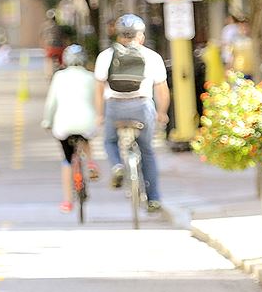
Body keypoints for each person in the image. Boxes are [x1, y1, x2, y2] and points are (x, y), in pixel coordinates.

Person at [93, 13, 170, 213]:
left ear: (118, 35)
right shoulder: (152, 57)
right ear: (140, 36)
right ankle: (154, 199)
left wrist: (100, 115)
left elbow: (99, 90)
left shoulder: (106, 56)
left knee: (109, 141)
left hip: (115, 107)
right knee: (147, 151)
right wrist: (162, 113)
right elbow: (162, 90)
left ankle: (117, 165)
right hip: (142, 106)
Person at [41, 44, 99, 213]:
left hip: (63, 124)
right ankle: (91, 163)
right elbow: (97, 100)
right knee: (86, 139)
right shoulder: (90, 77)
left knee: (67, 161)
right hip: (87, 122)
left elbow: (51, 103)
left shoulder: (59, 77)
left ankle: (67, 201)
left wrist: (47, 121)